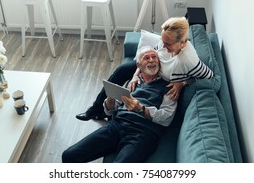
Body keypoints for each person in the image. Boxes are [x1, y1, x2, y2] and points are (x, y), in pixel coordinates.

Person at [76, 17, 213, 121]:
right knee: (122, 70)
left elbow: (209, 77)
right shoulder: (165, 41)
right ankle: (96, 108)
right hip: (151, 68)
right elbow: (157, 51)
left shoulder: (189, 60)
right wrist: (136, 74)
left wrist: (182, 83)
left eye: (167, 44)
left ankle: (111, 113)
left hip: (160, 80)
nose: (163, 46)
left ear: (182, 43)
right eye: (162, 41)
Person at [62, 47, 177, 163]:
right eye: (146, 58)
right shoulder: (131, 83)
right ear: (139, 65)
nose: (151, 60)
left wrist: (141, 109)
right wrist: (110, 101)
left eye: (154, 57)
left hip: (142, 134)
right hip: (116, 126)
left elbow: (166, 118)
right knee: (69, 155)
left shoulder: (168, 87)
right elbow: (110, 111)